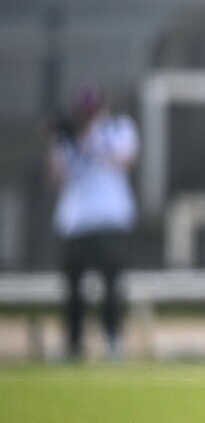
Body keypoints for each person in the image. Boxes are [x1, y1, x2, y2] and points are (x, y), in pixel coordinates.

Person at [47, 81, 139, 360]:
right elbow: (56, 177)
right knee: (73, 288)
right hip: (76, 221)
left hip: (110, 218)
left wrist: (92, 137)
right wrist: (59, 141)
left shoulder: (117, 128)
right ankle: (72, 345)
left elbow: (124, 159)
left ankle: (113, 341)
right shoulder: (67, 138)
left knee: (111, 286)